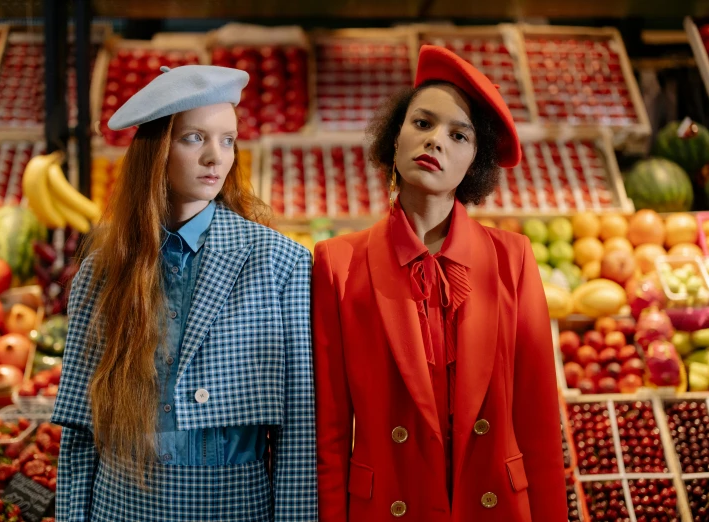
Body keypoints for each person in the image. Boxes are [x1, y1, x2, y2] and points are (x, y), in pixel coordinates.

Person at [312, 45, 567, 522]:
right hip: (388, 502)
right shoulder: (336, 263)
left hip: (493, 502)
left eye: (458, 135)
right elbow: (328, 435)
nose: (435, 142)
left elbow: (538, 424)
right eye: (422, 123)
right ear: (395, 137)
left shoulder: (513, 258)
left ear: (475, 162)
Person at [52, 65, 317, 521]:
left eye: (228, 139)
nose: (216, 157)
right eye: (195, 138)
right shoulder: (102, 270)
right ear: (156, 149)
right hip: (123, 504)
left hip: (234, 508)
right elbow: (79, 429)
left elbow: (299, 432)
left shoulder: (280, 263)